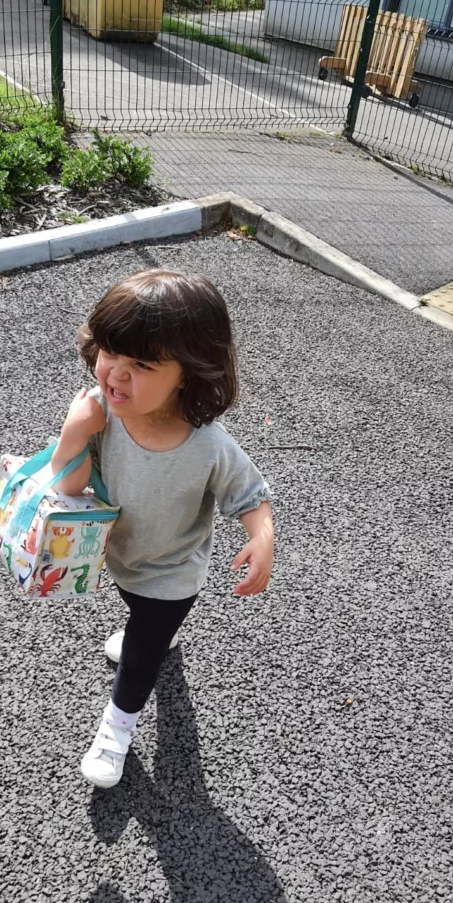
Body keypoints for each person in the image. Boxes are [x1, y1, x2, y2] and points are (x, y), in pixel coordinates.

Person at [51, 270, 274, 788]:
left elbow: (250, 495)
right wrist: (75, 431)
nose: (116, 376)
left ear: (190, 373)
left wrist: (261, 538)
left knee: (141, 658)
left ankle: (117, 726)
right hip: (121, 557)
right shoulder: (102, 414)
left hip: (173, 572)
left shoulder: (208, 445)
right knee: (136, 613)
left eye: (143, 365)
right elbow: (70, 485)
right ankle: (145, 633)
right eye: (110, 353)